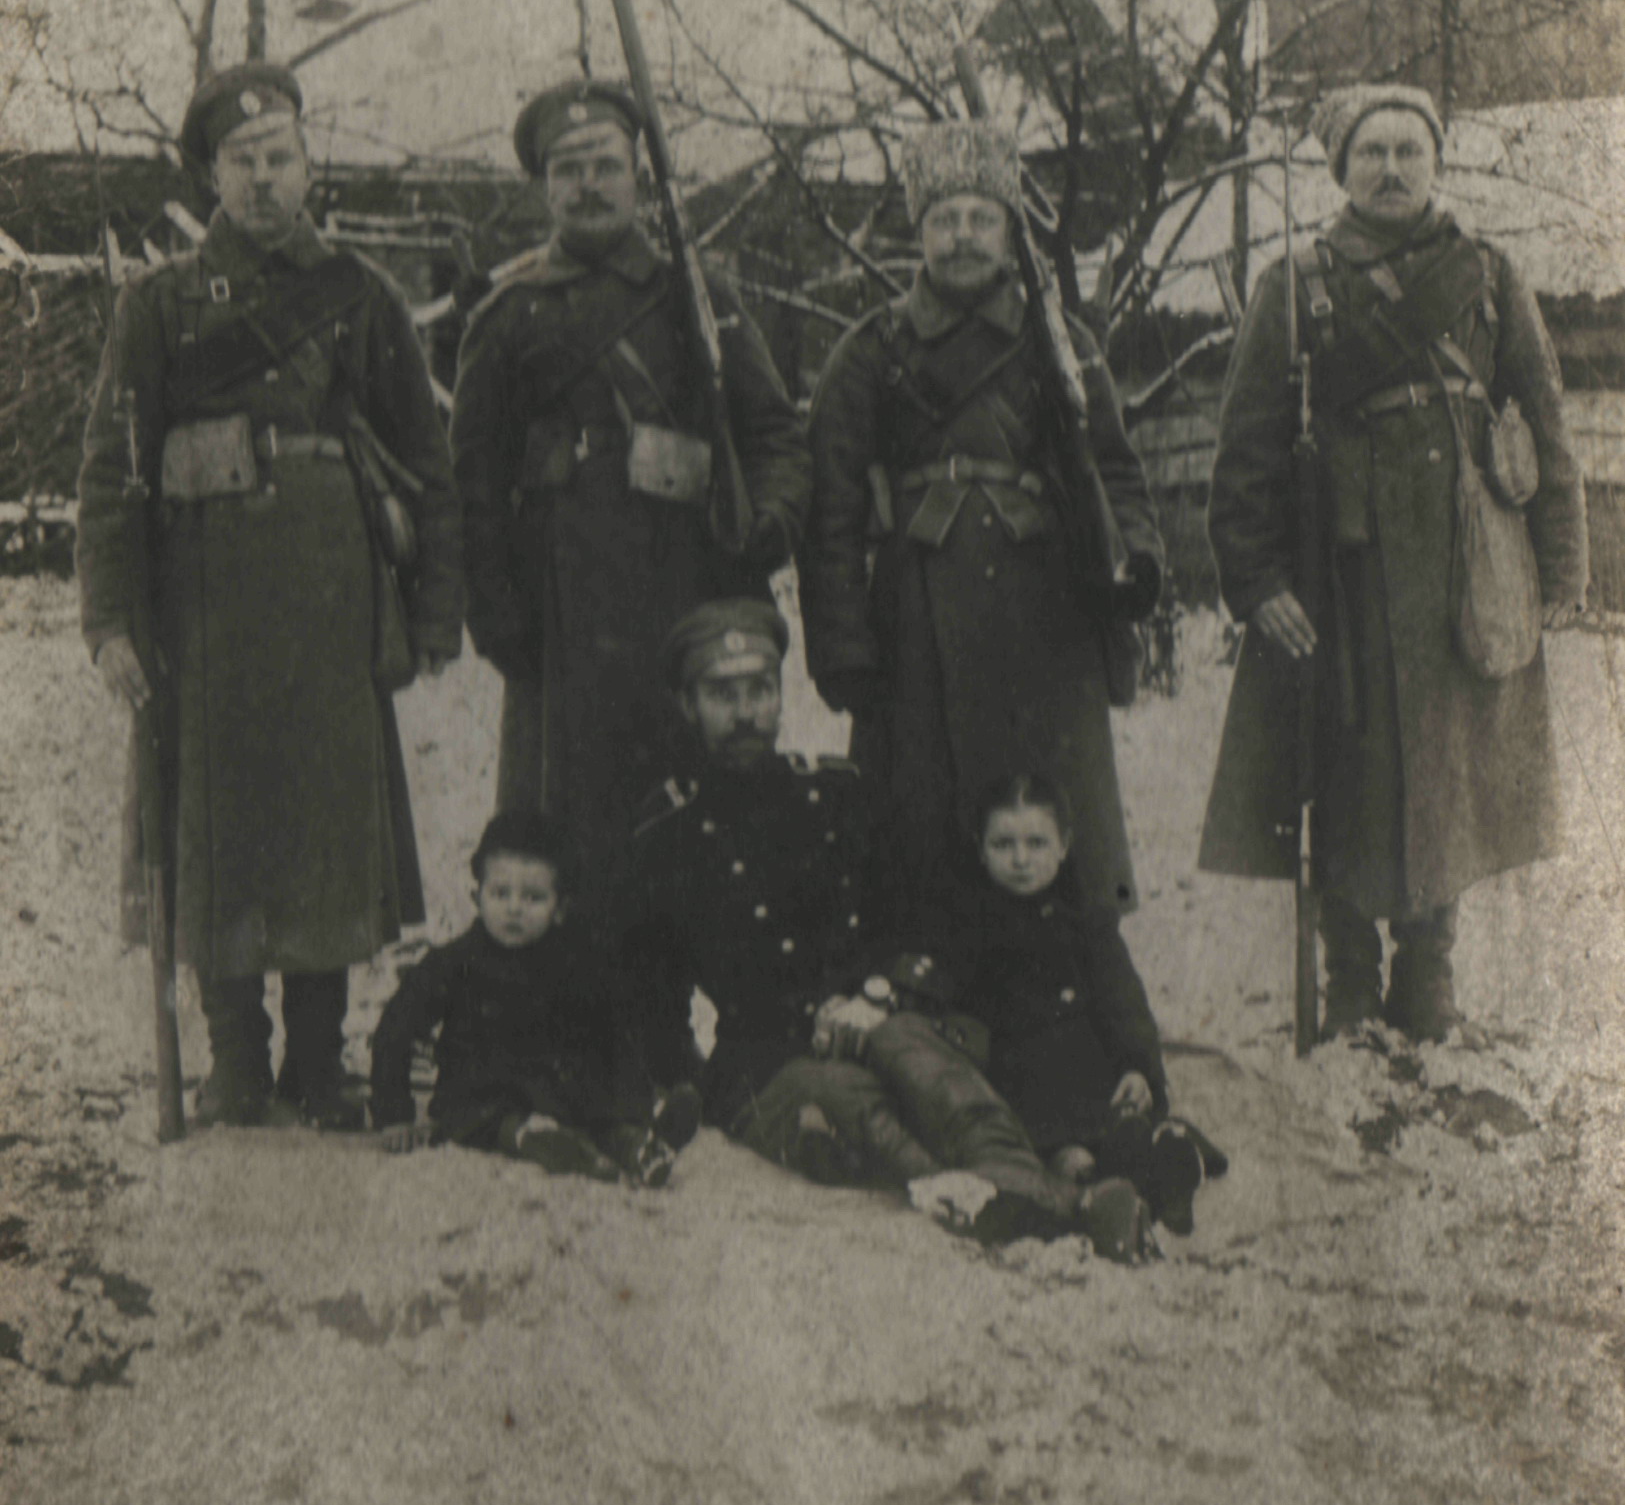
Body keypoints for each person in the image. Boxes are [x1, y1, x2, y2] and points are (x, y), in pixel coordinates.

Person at [77, 62, 463, 1129]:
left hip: (332, 602)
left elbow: (428, 464)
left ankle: (318, 1059)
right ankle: (238, 1059)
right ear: (211, 176)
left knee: (324, 827)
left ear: (307, 165)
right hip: (200, 614)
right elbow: (111, 475)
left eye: (279, 157)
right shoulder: (156, 305)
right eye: (241, 161)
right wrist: (109, 621)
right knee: (217, 826)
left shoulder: (360, 295)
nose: (262, 178)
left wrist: (435, 611)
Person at [1200, 84, 1588, 1041]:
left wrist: (1560, 566)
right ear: (1342, 170)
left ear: (1435, 163)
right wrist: (1255, 581)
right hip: (1345, 572)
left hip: (1464, 568)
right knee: (1343, 772)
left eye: (1408, 151)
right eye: (1370, 152)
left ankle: (1428, 974)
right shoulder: (1293, 283)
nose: (1389, 169)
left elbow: (1545, 421)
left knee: (1449, 772)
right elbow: (1243, 452)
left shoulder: (1487, 274)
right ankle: (1350, 979)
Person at [615, 601, 1100, 1248]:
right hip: (765, 1063)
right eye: (722, 695)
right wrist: (698, 1089)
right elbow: (656, 1002)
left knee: (927, 1068)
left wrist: (878, 994)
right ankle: (980, 1200)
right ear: (687, 704)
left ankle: (1025, 1188)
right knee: (853, 1104)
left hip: (866, 1017)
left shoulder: (834, 794)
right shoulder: (668, 838)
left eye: (760, 690)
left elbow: (910, 914)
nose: (745, 712)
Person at [450, 79, 812, 903]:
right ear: (544, 187)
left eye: (605, 165)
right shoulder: (507, 315)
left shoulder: (699, 295)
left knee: (699, 832)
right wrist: (496, 611)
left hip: (688, 593)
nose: (588, 185)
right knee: (569, 836)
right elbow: (472, 486)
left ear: (638, 176)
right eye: (568, 169)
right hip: (561, 615)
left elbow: (774, 433)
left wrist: (767, 523)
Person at [799, 121, 1163, 910]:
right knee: (918, 833)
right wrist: (843, 647)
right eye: (942, 219)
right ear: (918, 232)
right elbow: (829, 514)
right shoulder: (869, 351)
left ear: (1008, 232)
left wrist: (1133, 560)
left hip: (1046, 614)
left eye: (980, 218)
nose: (961, 236)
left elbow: (1113, 467)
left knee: (1055, 828)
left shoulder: (1061, 342)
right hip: (913, 624)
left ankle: (1072, 960)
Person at [937, 773, 1227, 1236]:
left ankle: (1175, 1163)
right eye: (1003, 844)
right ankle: (1114, 1185)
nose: (1020, 859)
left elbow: (1123, 1003)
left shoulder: (1086, 924)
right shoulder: (970, 928)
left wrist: (1138, 1067)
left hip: (1092, 1081)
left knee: (1125, 1140)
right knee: (1051, 1166)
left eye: (1036, 843)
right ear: (981, 849)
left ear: (1064, 846)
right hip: (1021, 1091)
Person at [370, 810, 698, 1184]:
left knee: (598, 1110)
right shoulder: (454, 963)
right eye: (500, 893)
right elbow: (397, 1025)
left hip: (558, 1091)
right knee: (478, 1117)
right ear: (477, 897)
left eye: (534, 898)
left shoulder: (576, 963)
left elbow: (617, 1035)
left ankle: (638, 1147)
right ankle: (538, 1142)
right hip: (482, 1092)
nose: (514, 908)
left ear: (560, 909)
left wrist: (633, 1106)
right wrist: (392, 1113)